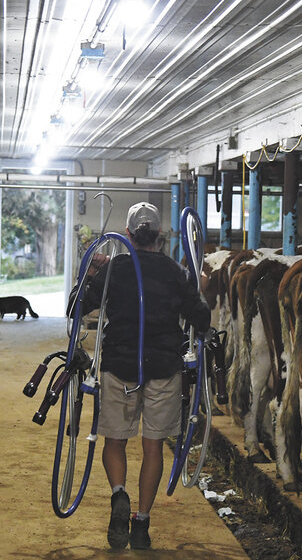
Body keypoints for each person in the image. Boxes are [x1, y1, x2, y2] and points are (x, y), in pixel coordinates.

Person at [70, 202, 210, 550]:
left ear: (128, 234)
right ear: (160, 236)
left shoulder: (115, 268)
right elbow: (202, 319)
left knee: (114, 442)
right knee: (153, 448)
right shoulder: (176, 271)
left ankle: (119, 495)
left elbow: (76, 307)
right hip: (163, 370)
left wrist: (87, 273)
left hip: (120, 367)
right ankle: (142, 523)